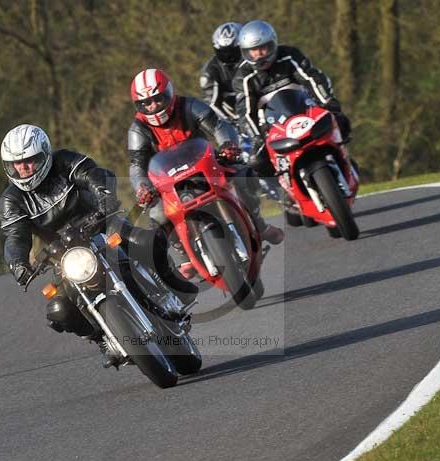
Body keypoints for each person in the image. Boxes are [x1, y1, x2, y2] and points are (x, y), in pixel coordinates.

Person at [0, 124, 196, 363]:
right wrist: (18, 263)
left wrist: (104, 197)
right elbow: (15, 236)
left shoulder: (63, 161)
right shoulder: (12, 198)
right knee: (59, 309)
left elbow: (93, 174)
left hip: (99, 223)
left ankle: (175, 288)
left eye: (30, 160)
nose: (23, 168)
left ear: (44, 154)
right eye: (16, 164)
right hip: (61, 252)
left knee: (146, 241)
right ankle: (103, 338)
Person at [128, 67, 284, 276]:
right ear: (139, 106)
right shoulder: (138, 129)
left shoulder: (190, 105)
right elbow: (136, 165)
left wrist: (228, 145)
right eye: (146, 103)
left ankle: (258, 223)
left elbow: (219, 126)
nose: (153, 106)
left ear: (169, 93)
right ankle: (184, 255)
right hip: (169, 182)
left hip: (206, 165)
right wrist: (142, 187)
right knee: (157, 213)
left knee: (244, 175)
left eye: (158, 99)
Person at [232, 20, 354, 178]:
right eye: (253, 51)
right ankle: (283, 188)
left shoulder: (289, 55)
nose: (259, 55)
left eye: (263, 48)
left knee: (340, 120)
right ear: (245, 52)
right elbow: (245, 111)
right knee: (257, 161)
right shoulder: (243, 77)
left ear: (273, 44)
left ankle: (342, 157)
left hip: (304, 110)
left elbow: (311, 78)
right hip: (272, 126)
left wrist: (327, 101)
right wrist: (256, 137)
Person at [200, 22, 244, 124]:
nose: (228, 56)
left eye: (232, 51)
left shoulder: (254, 60)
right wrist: (231, 121)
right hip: (232, 117)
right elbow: (212, 103)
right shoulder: (210, 71)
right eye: (223, 52)